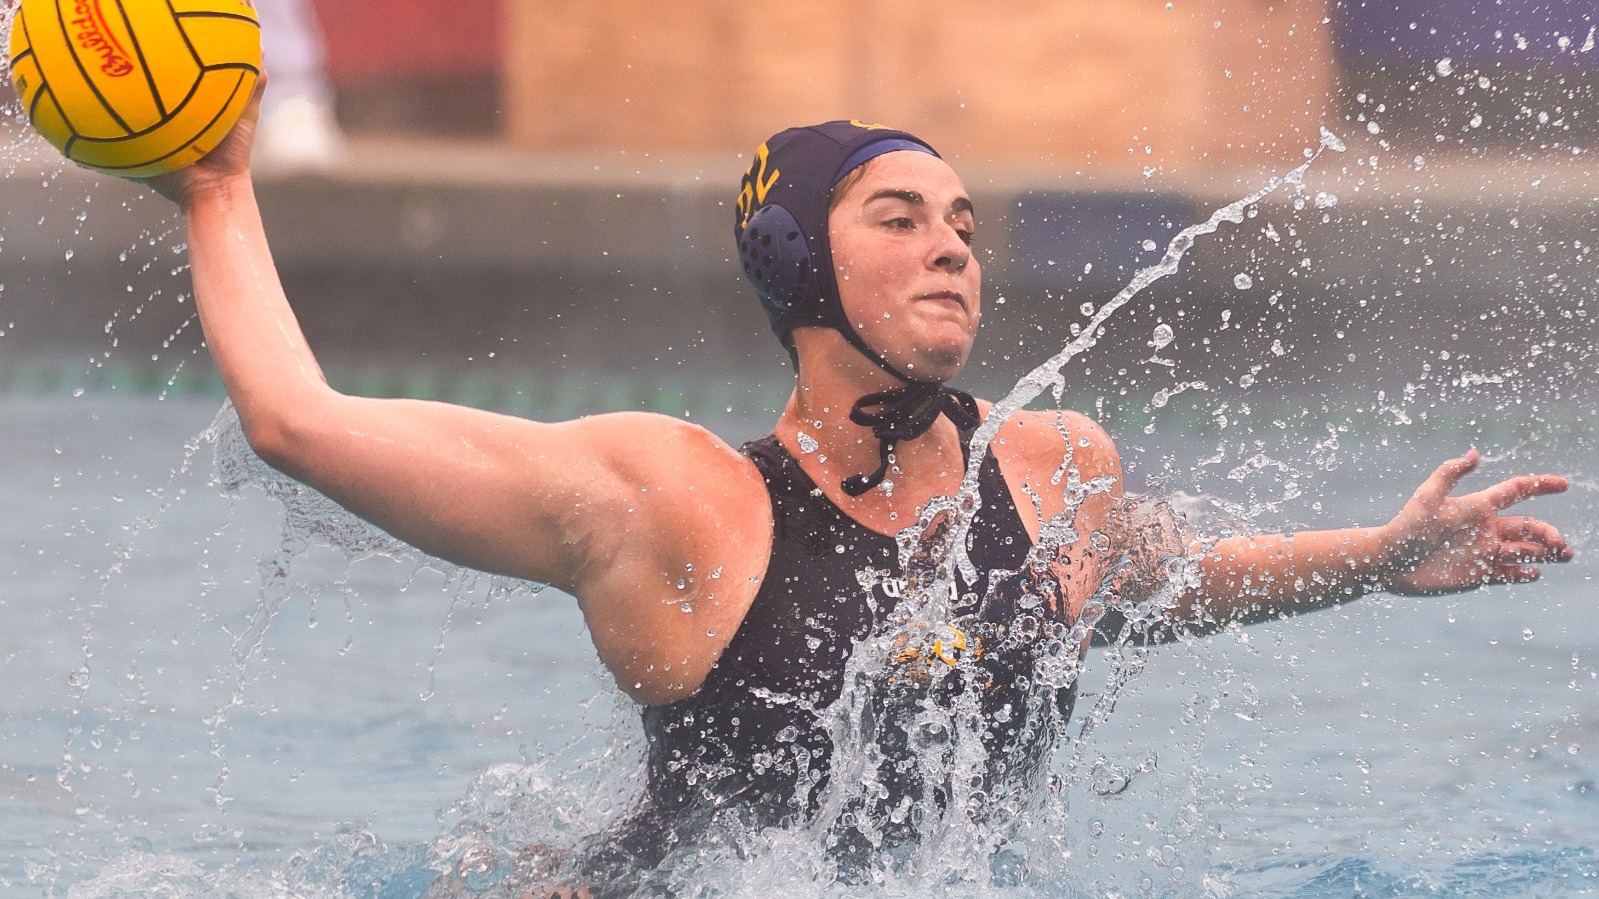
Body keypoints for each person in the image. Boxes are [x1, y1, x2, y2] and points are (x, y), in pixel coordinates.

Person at [142, 83, 1572, 894]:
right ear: (798, 262)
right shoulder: (680, 504)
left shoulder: (1052, 464)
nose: (952, 247)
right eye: (899, 218)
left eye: (962, 223)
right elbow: (299, 424)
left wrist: (1376, 555)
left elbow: (1159, 577)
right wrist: (216, 189)